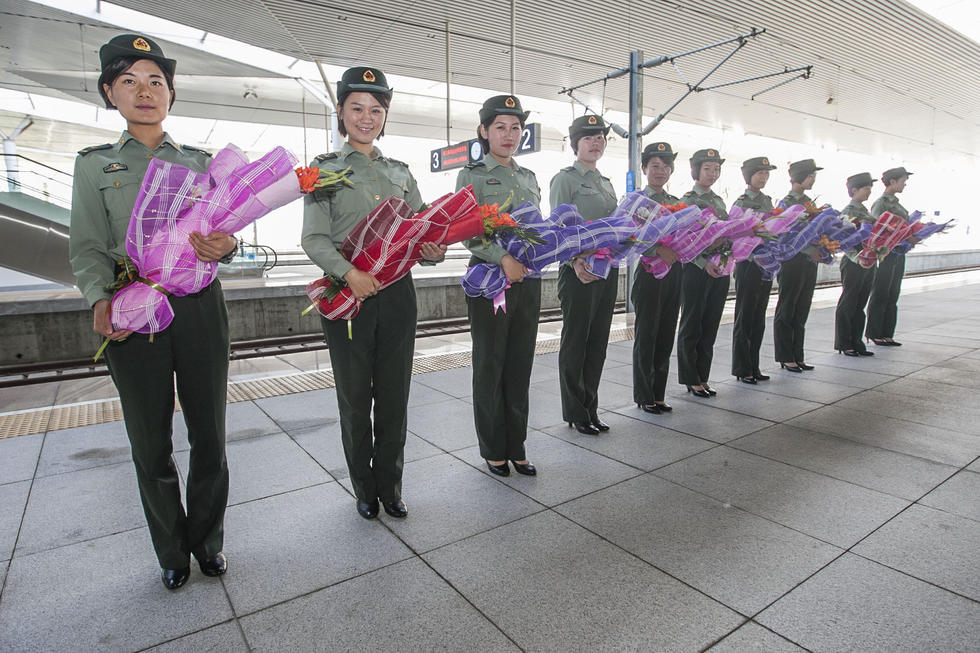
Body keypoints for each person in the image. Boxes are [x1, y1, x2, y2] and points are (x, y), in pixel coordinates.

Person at [69, 34, 234, 590]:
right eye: (130, 82)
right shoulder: (95, 166)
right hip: (131, 307)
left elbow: (225, 229)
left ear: (171, 93)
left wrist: (225, 245)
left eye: (156, 81)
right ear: (109, 94)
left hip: (198, 307)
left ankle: (208, 541)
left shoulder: (200, 163)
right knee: (149, 438)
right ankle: (171, 549)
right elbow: (88, 245)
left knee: (210, 432)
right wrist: (98, 298)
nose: (145, 92)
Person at [303, 67, 446, 520]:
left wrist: (433, 249)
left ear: (385, 116)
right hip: (348, 298)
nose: (367, 118)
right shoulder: (323, 172)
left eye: (376, 110)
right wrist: (348, 273)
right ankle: (364, 489)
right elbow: (313, 238)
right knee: (353, 396)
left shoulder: (400, 173)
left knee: (394, 395)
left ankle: (391, 486)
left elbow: (424, 227)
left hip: (398, 296)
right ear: (342, 113)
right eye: (357, 109)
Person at [457, 95, 540, 477]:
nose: (510, 135)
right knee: (490, 363)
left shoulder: (529, 177)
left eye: (516, 128)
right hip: (491, 280)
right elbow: (466, 230)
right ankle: (493, 447)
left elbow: (538, 229)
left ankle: (516, 445)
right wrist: (502, 257)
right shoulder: (472, 174)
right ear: (484, 131)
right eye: (501, 127)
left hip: (527, 279)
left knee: (520, 364)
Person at [550, 115, 618, 435]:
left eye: (600, 137)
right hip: (577, 271)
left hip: (606, 270)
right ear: (575, 143)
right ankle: (575, 412)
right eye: (588, 137)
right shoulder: (565, 179)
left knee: (598, 343)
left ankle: (591, 408)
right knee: (576, 342)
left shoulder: (606, 183)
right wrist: (576, 260)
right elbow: (559, 226)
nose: (596, 142)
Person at [632, 142, 681, 414]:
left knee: (665, 333)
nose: (660, 172)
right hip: (649, 273)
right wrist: (656, 249)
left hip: (674, 272)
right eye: (654, 166)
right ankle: (644, 394)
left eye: (665, 167)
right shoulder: (637, 203)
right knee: (647, 335)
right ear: (644, 169)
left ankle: (659, 393)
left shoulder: (676, 204)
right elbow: (630, 237)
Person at [677, 149, 729, 398]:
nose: (712, 173)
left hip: (718, 270)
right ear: (696, 170)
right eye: (708, 168)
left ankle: (703, 376)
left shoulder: (719, 202)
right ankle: (690, 378)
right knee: (692, 323)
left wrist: (726, 258)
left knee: (710, 323)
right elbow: (682, 239)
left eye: (716, 169)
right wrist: (702, 262)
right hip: (696, 270)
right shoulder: (687, 201)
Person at [731, 156, 778, 384]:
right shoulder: (741, 203)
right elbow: (735, 234)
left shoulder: (768, 202)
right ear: (749, 176)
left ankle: (754, 364)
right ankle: (742, 368)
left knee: (759, 317)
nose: (763, 177)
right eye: (760, 173)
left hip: (765, 265)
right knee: (745, 316)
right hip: (748, 264)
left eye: (766, 174)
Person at [773, 159, 823, 372]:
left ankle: (797, 354)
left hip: (809, 261)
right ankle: (786, 356)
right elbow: (782, 235)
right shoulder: (786, 204)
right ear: (800, 176)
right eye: (810, 176)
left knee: (802, 307)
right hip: (792, 261)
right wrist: (807, 248)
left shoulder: (810, 203)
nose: (813, 180)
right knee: (788, 307)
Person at [866, 167, 914, 346]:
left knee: (893, 293)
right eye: (903, 180)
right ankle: (874, 332)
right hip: (885, 254)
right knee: (881, 292)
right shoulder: (881, 204)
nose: (905, 184)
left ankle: (887, 332)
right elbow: (878, 228)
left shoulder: (898, 204)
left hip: (898, 253)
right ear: (892, 182)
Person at [835, 173, 878, 356]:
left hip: (868, 262)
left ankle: (857, 342)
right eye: (866, 189)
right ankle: (844, 343)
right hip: (854, 262)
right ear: (854, 190)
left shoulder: (865, 211)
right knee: (849, 303)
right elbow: (844, 241)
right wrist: (858, 257)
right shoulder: (848, 212)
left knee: (860, 304)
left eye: (870, 188)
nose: (869, 192)